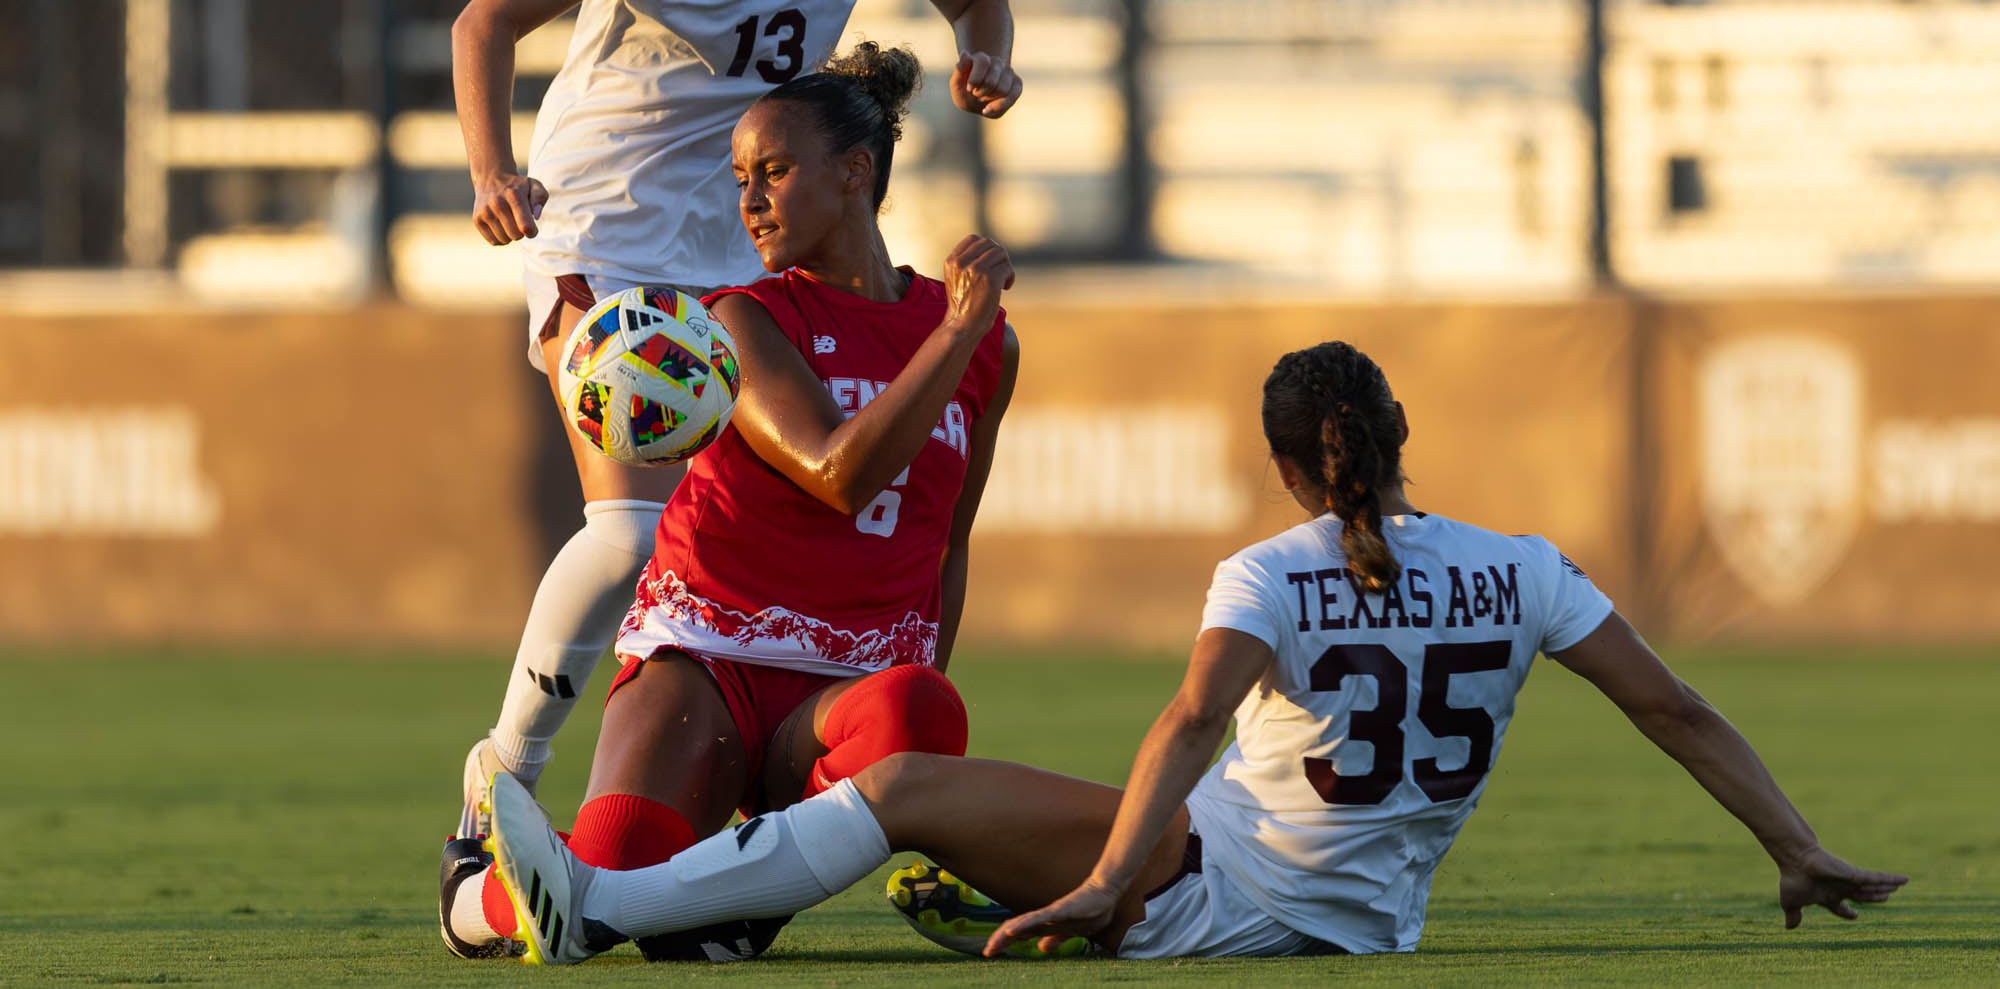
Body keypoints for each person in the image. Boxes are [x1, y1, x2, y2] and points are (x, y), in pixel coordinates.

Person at [476, 339, 1908, 965]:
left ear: (1287, 463)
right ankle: (977, 895)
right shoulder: (1524, 568)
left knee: (906, 778)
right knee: (950, 811)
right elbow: (1677, 708)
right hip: (1364, 914)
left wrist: (1108, 888)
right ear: (1401, 439)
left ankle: (609, 908)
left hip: (1207, 890)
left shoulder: (1272, 568)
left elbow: (1183, 730)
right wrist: (1794, 845)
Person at [447, 0, 1021, 875]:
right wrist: (492, 171)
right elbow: (485, 19)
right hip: (601, 222)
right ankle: (501, 778)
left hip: (738, 238)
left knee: (720, 540)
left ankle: (727, 810)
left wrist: (987, 54)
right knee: (628, 530)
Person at [442, 43, 1020, 961]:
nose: (747, 200)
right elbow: (838, 473)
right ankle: (479, 896)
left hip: (835, 698)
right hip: (710, 657)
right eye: (742, 177)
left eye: (774, 173)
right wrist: (956, 330)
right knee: (612, 875)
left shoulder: (987, 344)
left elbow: (950, 541)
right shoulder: (740, 317)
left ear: (856, 172)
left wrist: (912, 747)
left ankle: (728, 906)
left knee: (923, 710)